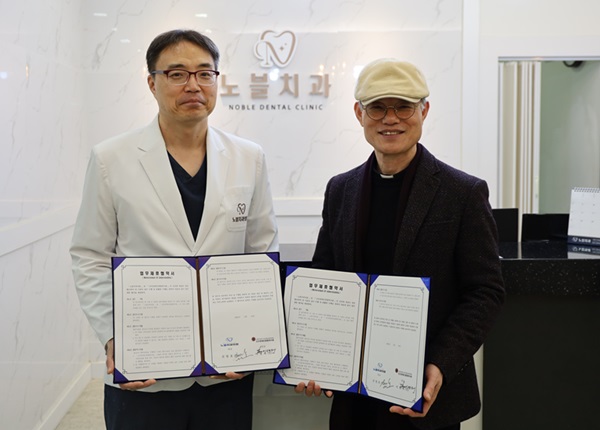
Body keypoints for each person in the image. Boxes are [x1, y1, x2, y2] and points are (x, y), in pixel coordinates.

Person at [70, 29, 278, 430]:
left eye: (204, 73)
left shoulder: (248, 157)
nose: (193, 85)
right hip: (145, 372)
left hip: (225, 370)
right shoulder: (111, 158)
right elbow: (90, 256)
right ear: (152, 83)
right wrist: (114, 337)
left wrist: (252, 337)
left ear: (217, 81)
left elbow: (261, 253)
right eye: (177, 74)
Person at [295, 58, 505, 430]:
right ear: (359, 114)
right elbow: (324, 278)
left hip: (425, 394)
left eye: (403, 107)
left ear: (424, 110)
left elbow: (485, 291)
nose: (390, 119)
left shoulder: (463, 192)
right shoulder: (340, 189)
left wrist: (440, 363)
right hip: (353, 398)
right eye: (377, 107)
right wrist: (314, 357)